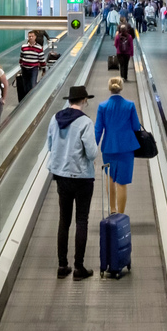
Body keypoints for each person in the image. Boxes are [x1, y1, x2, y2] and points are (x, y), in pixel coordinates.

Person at [46, 84, 99, 280]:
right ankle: (78, 267)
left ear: (69, 100)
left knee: (64, 220)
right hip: (82, 177)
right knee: (81, 220)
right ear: (84, 100)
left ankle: (62, 265)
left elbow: (50, 145)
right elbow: (92, 152)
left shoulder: (55, 118)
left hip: (61, 176)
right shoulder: (85, 122)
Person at [94, 76, 142, 215]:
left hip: (108, 147)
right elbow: (136, 126)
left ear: (110, 88)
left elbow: (98, 130)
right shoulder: (129, 105)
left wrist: (92, 150)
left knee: (110, 178)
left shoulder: (103, 106)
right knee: (122, 183)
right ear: (121, 87)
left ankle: (112, 209)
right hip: (126, 148)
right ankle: (121, 214)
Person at [17, 31, 45, 101]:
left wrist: (44, 70)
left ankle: (32, 100)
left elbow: (42, 59)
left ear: (35, 37)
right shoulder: (24, 47)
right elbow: (21, 57)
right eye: (29, 36)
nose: (31, 38)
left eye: (32, 36)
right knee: (25, 86)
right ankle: (26, 100)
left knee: (32, 84)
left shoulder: (38, 48)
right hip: (24, 69)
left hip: (34, 69)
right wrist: (21, 65)